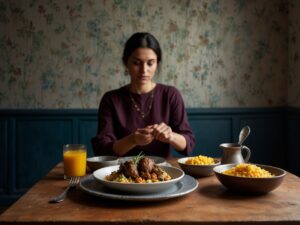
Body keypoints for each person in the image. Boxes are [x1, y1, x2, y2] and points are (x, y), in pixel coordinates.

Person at [92, 32, 195, 158]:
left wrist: (171, 136)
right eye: (136, 63)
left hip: (164, 174)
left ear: (157, 63)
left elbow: (188, 144)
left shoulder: (171, 95)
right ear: (126, 63)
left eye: (150, 63)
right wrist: (133, 140)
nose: (144, 70)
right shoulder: (111, 99)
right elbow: (102, 149)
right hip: (121, 173)